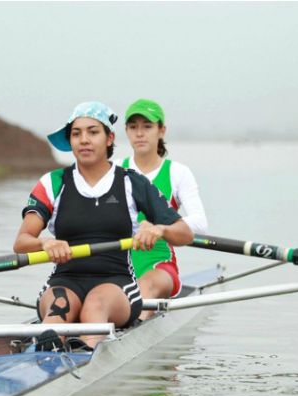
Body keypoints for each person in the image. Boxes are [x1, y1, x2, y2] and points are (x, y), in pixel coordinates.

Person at [12, 101, 194, 351]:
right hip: (65, 279)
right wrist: (45, 242)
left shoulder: (132, 183)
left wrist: (160, 230)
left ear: (109, 138)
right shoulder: (52, 182)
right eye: (76, 134)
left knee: (95, 306)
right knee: (56, 315)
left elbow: (184, 234)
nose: (84, 139)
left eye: (92, 132)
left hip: (117, 283)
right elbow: (21, 243)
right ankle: (49, 351)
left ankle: (85, 355)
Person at [116, 99, 208, 319]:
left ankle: (131, 327)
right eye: (133, 127)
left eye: (147, 127)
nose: (139, 133)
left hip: (157, 264)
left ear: (161, 130)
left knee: (143, 290)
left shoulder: (177, 172)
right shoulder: (115, 170)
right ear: (126, 132)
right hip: (116, 265)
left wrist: (160, 229)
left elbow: (200, 224)